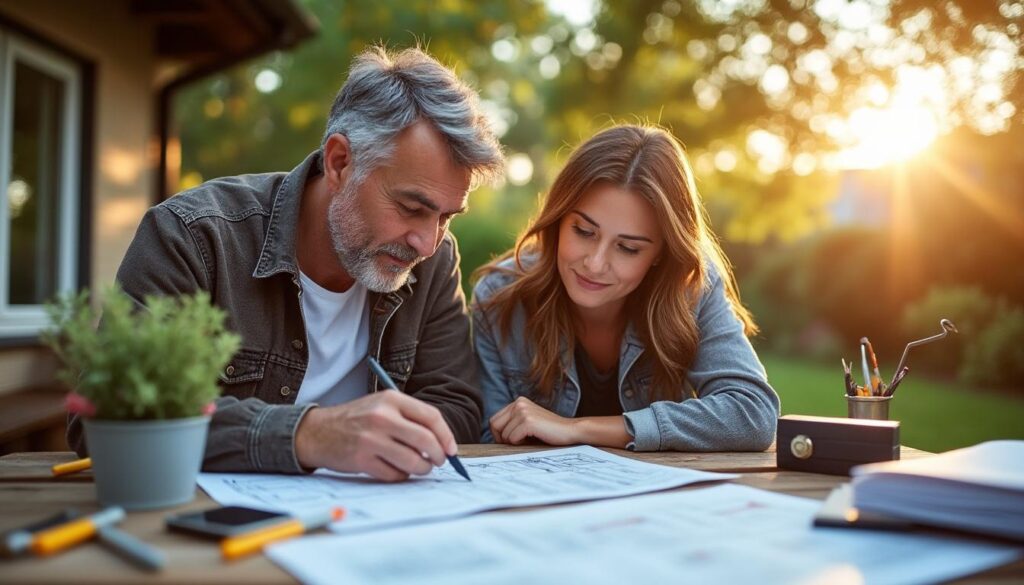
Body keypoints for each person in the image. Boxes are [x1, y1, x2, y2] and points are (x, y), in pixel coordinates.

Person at [67, 46, 504, 481]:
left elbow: (457, 406)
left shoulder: (434, 260)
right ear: (339, 162)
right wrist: (309, 435)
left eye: (446, 217)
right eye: (411, 208)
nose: (426, 242)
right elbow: (107, 412)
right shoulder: (193, 236)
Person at [472, 125, 779, 451]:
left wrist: (578, 429)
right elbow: (490, 441)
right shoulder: (499, 296)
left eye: (628, 248)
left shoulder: (691, 287)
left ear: (661, 252)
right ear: (558, 218)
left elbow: (753, 414)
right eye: (584, 231)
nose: (595, 263)